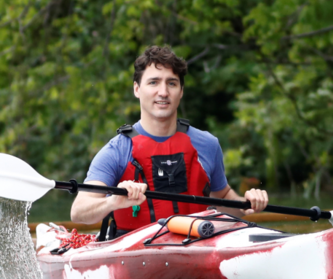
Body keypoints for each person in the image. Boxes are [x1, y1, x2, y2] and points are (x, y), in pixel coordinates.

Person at [70, 45, 269, 239]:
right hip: (137, 260)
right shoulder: (116, 151)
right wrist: (112, 202)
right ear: (137, 89)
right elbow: (79, 212)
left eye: (172, 83)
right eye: (154, 82)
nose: (163, 92)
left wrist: (246, 204)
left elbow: (223, 198)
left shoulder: (207, 144)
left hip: (196, 248)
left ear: (181, 91)